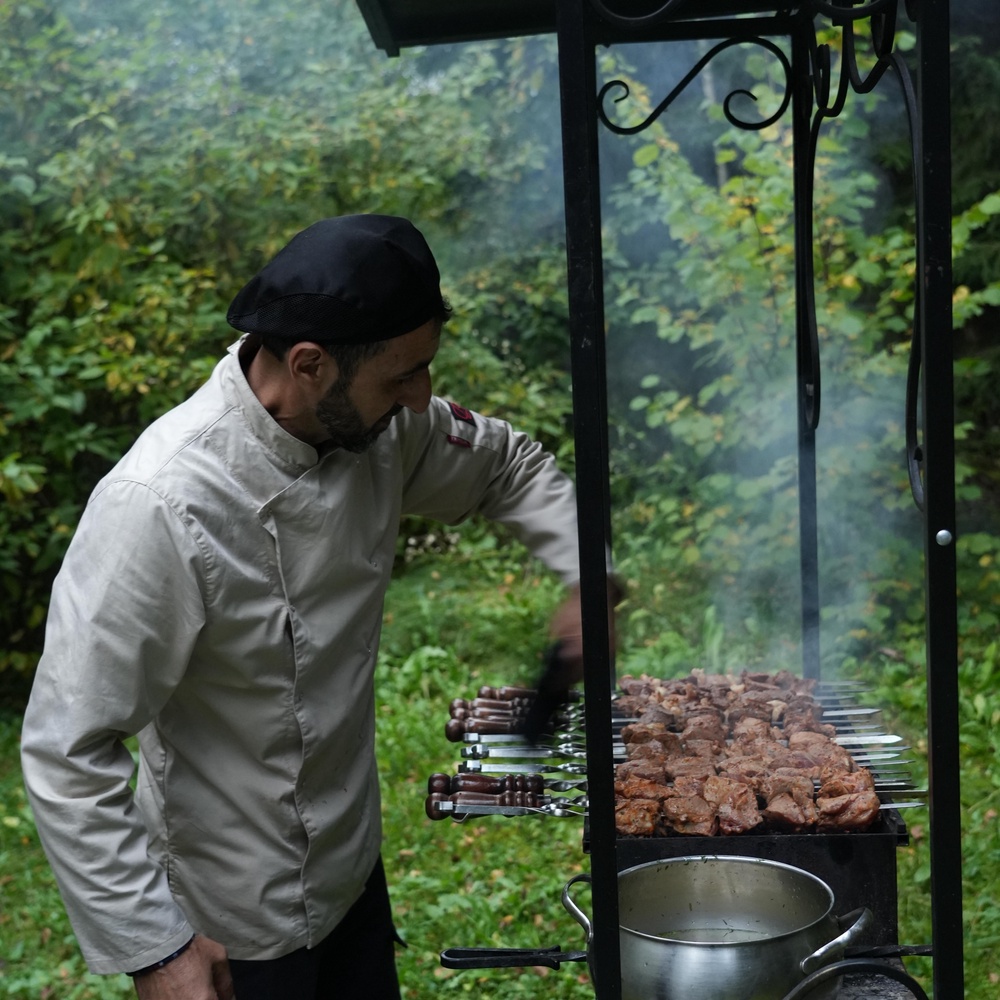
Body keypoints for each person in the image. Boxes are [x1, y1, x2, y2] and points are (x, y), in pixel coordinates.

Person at [20, 215, 589, 1000]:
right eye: (402, 375)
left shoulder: (383, 430)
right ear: (311, 363)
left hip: (351, 873)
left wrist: (581, 572)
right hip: (233, 924)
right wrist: (156, 950)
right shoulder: (160, 505)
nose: (422, 394)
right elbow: (66, 747)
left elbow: (507, 466)